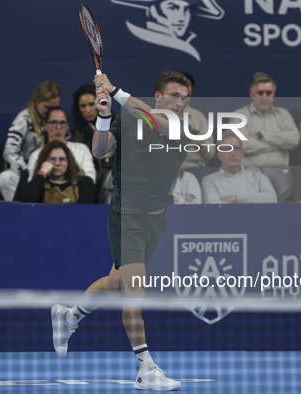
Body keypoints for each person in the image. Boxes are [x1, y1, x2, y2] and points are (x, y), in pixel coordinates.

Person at [51, 71, 191, 391]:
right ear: (157, 95)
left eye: (183, 97)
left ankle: (69, 315)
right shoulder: (126, 122)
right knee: (134, 291)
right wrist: (103, 115)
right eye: (173, 95)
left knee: (116, 282)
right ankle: (145, 367)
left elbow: (155, 121)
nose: (179, 102)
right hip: (126, 217)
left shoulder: (180, 127)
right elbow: (100, 151)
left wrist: (114, 91)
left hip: (156, 219)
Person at [0, 81, 61, 201]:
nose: (50, 112)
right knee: (5, 178)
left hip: (54, 170)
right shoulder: (24, 119)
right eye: (47, 107)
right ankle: (19, 213)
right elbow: (10, 150)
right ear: (36, 102)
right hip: (27, 170)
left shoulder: (59, 119)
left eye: (55, 107)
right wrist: (28, 172)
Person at [233, 72, 300, 171]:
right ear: (251, 93)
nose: (265, 97)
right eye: (260, 93)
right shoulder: (239, 116)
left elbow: (294, 140)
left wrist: (261, 136)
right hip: (251, 171)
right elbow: (239, 146)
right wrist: (280, 143)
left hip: (281, 171)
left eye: (269, 93)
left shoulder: (283, 114)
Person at [201, 130, 277, 204]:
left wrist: (235, 198)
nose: (233, 153)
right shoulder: (209, 181)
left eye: (236, 148)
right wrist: (255, 198)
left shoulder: (258, 177)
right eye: (228, 148)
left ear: (242, 154)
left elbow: (272, 198)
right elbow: (213, 206)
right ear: (219, 155)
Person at [26, 107, 96, 183]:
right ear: (45, 125)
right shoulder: (36, 155)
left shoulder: (81, 149)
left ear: (67, 125)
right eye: (53, 122)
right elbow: (31, 183)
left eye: (62, 122)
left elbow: (90, 178)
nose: (58, 127)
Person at [13, 141, 94, 204]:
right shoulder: (39, 184)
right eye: (52, 159)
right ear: (45, 161)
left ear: (68, 162)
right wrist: (42, 173)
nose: (57, 163)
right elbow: (26, 199)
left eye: (62, 159)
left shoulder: (84, 183)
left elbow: (85, 212)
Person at [177, 71, 215, 170]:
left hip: (193, 169)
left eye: (187, 96)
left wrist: (201, 145)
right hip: (163, 171)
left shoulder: (198, 117)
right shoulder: (156, 116)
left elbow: (211, 153)